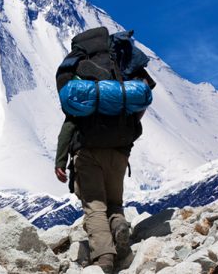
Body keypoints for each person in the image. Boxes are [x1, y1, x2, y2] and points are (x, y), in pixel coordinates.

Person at [54, 27, 155, 273]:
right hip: (119, 152)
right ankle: (119, 225)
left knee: (94, 206)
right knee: (114, 203)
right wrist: (129, 136)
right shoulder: (120, 71)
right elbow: (140, 104)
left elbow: (70, 123)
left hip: (88, 151)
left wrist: (60, 158)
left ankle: (104, 259)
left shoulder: (81, 78)